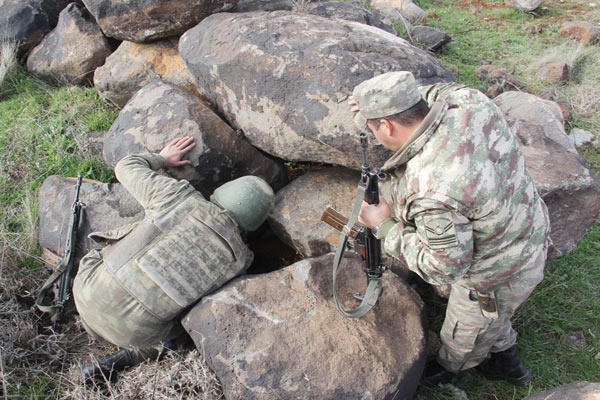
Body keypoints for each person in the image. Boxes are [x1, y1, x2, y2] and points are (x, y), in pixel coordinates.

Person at [349, 71, 550, 387]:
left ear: (386, 126)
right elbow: (426, 93)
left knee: (466, 331)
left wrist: (383, 226)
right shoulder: (468, 100)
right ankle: (504, 347)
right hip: (525, 227)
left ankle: (461, 369)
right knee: (494, 318)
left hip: (495, 272)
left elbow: (445, 268)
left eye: (373, 128)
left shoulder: (432, 185)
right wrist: (374, 101)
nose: (374, 135)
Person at [73, 136, 275, 383]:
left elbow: (125, 167)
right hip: (136, 334)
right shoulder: (241, 260)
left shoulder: (177, 196)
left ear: (222, 191)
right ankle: (133, 356)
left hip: (87, 291)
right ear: (254, 225)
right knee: (182, 332)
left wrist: (162, 158)